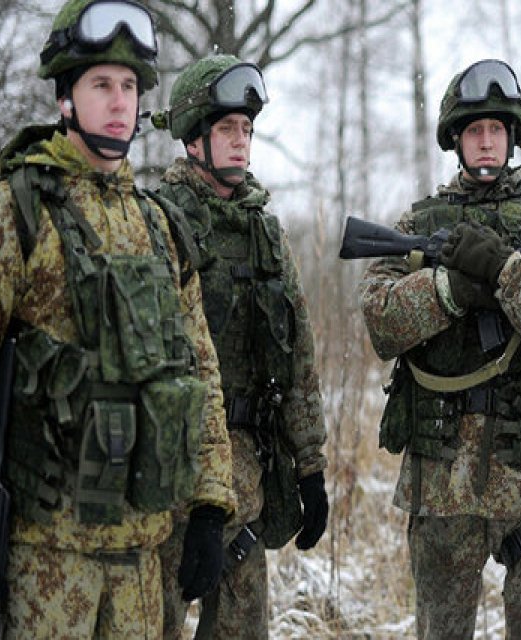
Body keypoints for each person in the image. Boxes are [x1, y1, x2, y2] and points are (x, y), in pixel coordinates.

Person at [0, 1, 236, 637]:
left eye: (130, 87)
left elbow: (200, 370)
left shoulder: (160, 227)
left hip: (141, 564)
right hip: (44, 564)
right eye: (101, 85)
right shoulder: (9, 217)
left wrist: (209, 505)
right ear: (65, 99)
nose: (120, 102)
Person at [358, 59, 521, 639]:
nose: (486, 141)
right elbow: (380, 320)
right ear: (457, 142)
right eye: (474, 131)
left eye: (496, 129)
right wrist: (451, 288)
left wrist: (505, 269)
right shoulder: (419, 221)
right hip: (441, 477)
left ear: (513, 138)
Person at [152, 54, 329, 639]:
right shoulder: (157, 223)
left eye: (247, 129)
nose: (240, 141)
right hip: (171, 492)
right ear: (194, 135)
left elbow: (299, 354)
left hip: (248, 488)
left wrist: (311, 467)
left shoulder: (266, 233)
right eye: (227, 127)